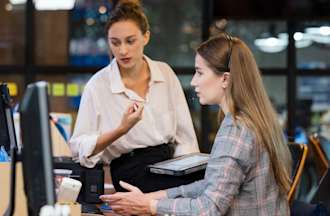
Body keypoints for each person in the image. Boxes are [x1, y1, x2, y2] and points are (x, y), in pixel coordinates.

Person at [100, 33, 293, 215]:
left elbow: (209, 208)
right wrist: (153, 197)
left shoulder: (236, 131)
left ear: (225, 79)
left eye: (200, 73)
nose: (193, 82)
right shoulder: (250, 121)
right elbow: (212, 184)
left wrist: (149, 206)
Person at [69, 0, 200, 193]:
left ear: (146, 37)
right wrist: (121, 129)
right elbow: (78, 148)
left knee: (210, 179)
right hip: (130, 170)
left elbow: (185, 138)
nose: (122, 50)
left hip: (169, 165)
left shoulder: (165, 73)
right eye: (115, 42)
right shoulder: (98, 86)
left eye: (130, 41)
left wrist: (188, 171)